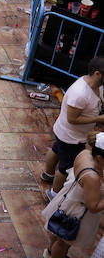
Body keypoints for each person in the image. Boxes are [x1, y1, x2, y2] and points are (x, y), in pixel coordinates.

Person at [42, 56, 104, 197]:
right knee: (65, 169)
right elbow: (72, 118)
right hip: (71, 137)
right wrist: (98, 118)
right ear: (97, 74)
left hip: (65, 132)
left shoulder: (95, 86)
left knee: (57, 149)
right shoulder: (80, 94)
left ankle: (47, 174)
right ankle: (54, 194)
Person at [42, 132, 104, 258]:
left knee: (58, 235)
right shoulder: (92, 177)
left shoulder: (86, 153)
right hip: (76, 212)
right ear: (100, 158)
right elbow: (93, 206)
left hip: (67, 200)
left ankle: (49, 252)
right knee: (63, 243)